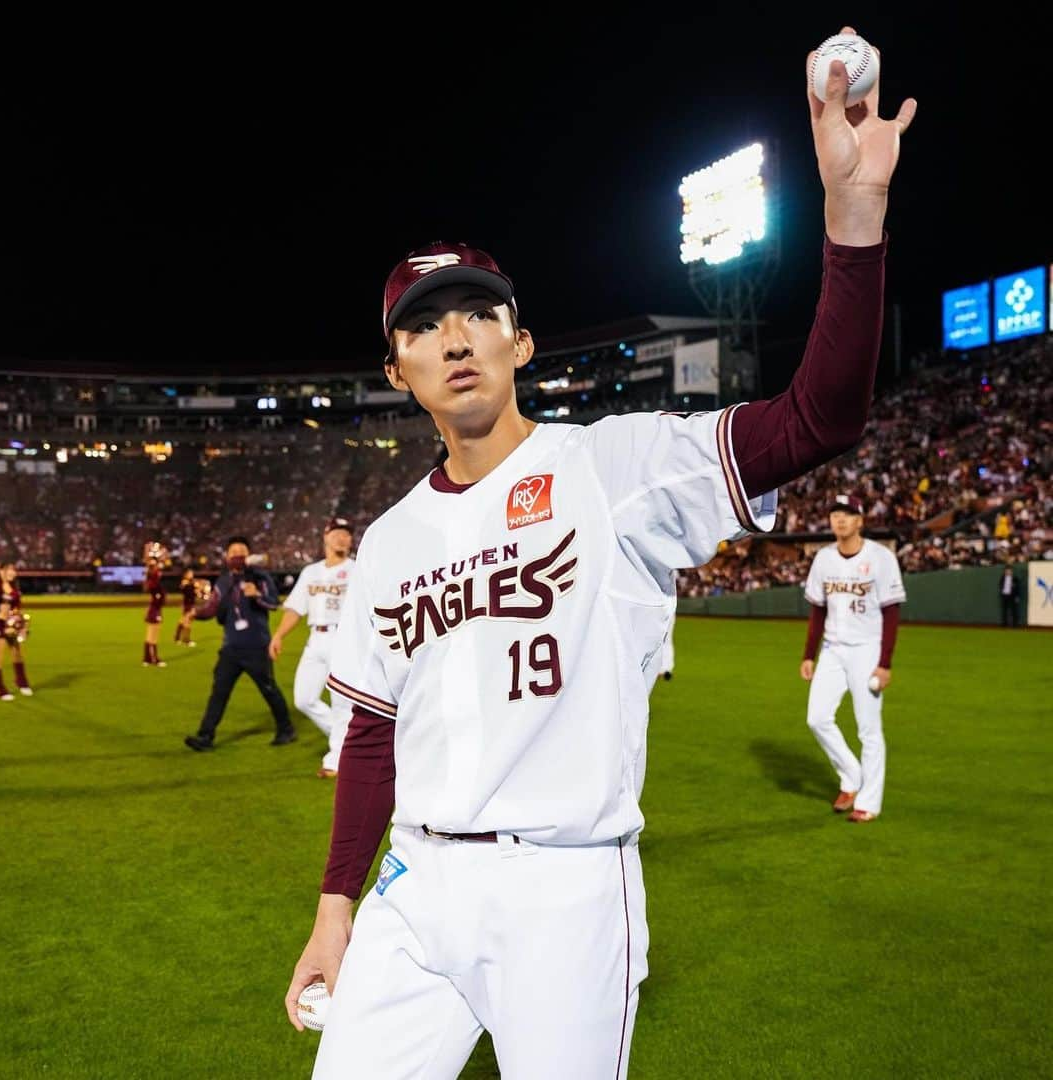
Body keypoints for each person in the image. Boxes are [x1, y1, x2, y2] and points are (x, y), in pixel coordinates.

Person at [285, 30, 915, 1078]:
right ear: (396, 367)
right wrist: (333, 907)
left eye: (479, 312)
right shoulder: (390, 541)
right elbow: (370, 741)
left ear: (519, 343)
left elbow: (819, 420)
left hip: (566, 892)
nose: (455, 337)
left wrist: (854, 222)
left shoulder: (620, 469)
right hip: (416, 886)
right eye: (423, 326)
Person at [800, 493, 907, 823]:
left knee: (868, 729)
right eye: (835, 514)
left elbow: (891, 613)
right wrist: (809, 655)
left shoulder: (880, 557)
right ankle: (851, 776)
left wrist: (885, 662)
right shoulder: (824, 558)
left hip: (866, 650)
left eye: (847, 514)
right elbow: (818, 609)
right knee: (817, 718)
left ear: (860, 521)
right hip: (832, 649)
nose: (840, 519)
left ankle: (868, 802)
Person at [183, 536, 296, 751]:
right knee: (219, 692)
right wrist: (195, 613)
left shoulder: (261, 577)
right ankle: (205, 736)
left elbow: (274, 604)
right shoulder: (223, 581)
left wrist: (257, 595)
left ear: (249, 555)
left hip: (256, 645)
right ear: (226, 556)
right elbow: (213, 607)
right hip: (231, 647)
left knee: (269, 689)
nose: (237, 554)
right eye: (233, 551)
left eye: (241, 550)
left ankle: (286, 729)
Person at [269, 517, 357, 779]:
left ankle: (336, 759)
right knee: (304, 699)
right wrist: (278, 635)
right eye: (338, 533)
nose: (343, 538)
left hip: (344, 639)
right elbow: (296, 607)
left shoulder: (358, 569)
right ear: (326, 537)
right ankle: (348, 741)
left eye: (347, 534)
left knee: (342, 703)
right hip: (315, 638)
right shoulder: (311, 572)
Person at [0, 541, 33, 701]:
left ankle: (22, 682)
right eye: (9, 569)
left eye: (14, 569)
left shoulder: (15, 591)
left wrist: (21, 625)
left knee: (17, 655)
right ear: (1, 571)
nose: (12, 571)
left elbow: (18, 609)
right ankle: (1, 689)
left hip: (11, 625)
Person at [141, 545, 168, 668]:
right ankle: (154, 659)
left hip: (153, 609)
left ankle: (146, 658)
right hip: (155, 610)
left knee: (150, 635)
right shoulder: (154, 583)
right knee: (154, 636)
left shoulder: (151, 582)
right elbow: (159, 596)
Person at [174, 567, 198, 647]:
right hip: (188, 604)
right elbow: (185, 591)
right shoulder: (185, 583)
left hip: (189, 604)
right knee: (188, 622)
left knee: (182, 621)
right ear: (186, 574)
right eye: (190, 573)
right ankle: (186, 640)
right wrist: (194, 587)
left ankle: (177, 638)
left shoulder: (191, 582)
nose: (192, 575)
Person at [998, 562, 1021, 627]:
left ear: (1011, 571)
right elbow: (1000, 586)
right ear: (1005, 571)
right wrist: (1002, 593)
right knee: (1004, 610)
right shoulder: (1002, 578)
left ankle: (1015, 624)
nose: (1008, 572)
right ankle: (1004, 623)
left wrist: (1017, 596)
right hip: (1005, 596)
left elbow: (1018, 588)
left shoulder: (1015, 579)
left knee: (1014, 610)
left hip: (1012, 596)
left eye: (1009, 571)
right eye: (1007, 571)